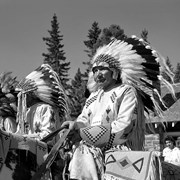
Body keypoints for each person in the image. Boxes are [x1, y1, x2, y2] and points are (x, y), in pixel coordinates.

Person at [61, 36, 175, 180]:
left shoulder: (127, 91)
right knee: (79, 155)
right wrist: (74, 126)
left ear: (114, 72)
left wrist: (83, 134)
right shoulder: (93, 97)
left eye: (102, 69)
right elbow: (84, 120)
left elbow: (124, 128)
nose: (97, 74)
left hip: (118, 150)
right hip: (89, 151)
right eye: (95, 70)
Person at [15, 63, 70, 141]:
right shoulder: (25, 113)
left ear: (31, 94)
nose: (20, 99)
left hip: (47, 151)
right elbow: (18, 133)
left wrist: (25, 138)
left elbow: (48, 134)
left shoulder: (46, 108)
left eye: (23, 96)